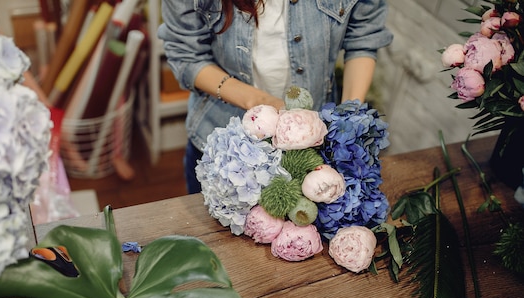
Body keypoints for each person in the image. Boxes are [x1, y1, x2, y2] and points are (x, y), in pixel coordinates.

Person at [157, 0, 393, 193]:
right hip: (224, 145)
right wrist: (263, 104)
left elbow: (363, 37)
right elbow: (187, 55)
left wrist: (347, 125)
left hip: (314, 145)